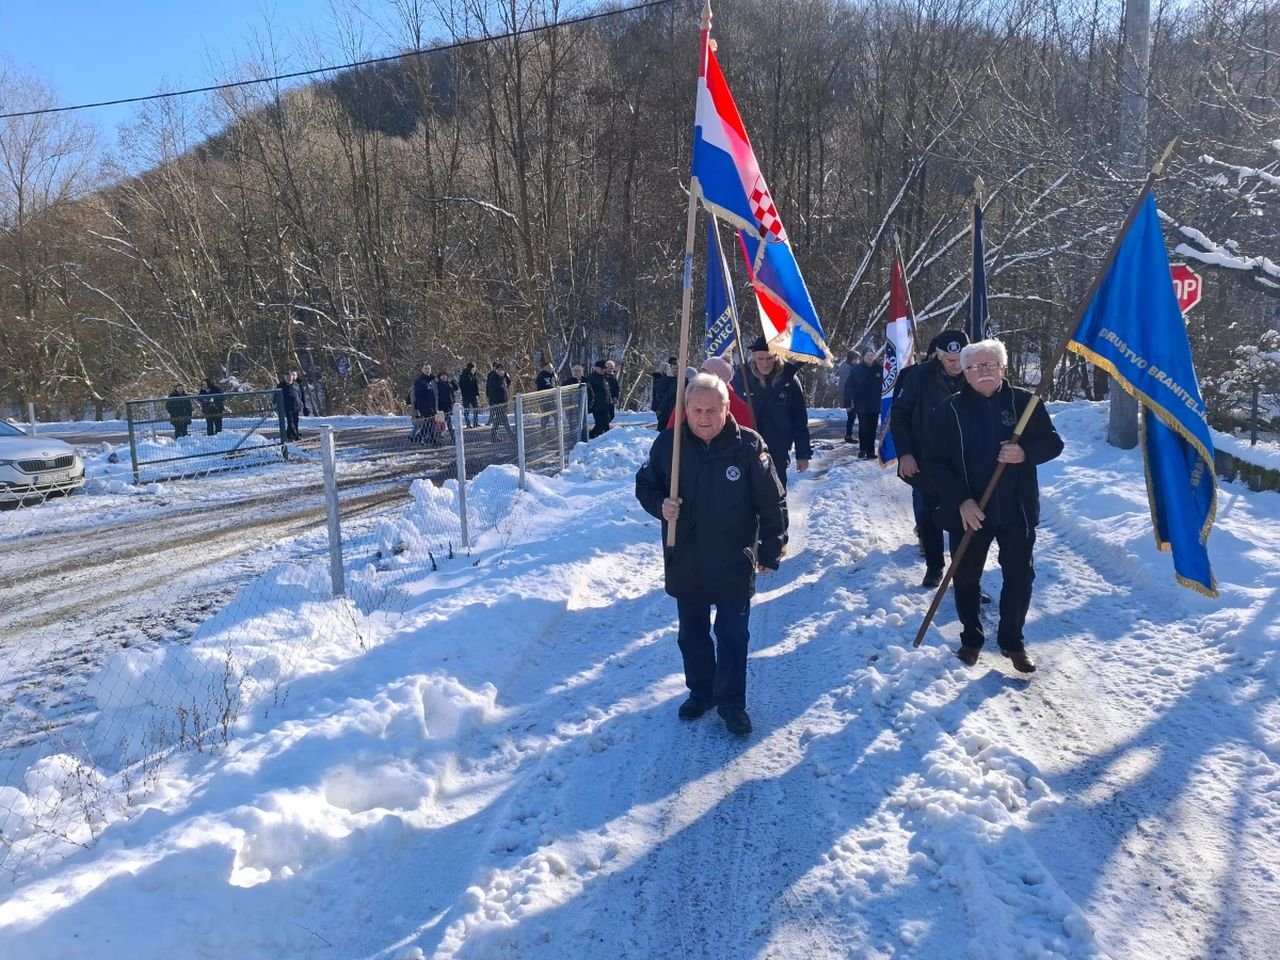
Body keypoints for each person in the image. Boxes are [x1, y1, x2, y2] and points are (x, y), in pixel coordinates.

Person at [634, 373, 787, 736]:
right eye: (696, 409)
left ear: (726, 408)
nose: (703, 417)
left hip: (734, 558)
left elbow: (772, 501)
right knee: (692, 635)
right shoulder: (668, 445)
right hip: (685, 558)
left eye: (711, 410)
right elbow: (645, 485)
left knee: (732, 635)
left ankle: (732, 704)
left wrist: (771, 547)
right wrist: (661, 505)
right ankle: (701, 691)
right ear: (685, 409)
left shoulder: (748, 447)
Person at [924, 339, 1064, 673]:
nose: (983, 371)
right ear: (966, 373)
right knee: (967, 577)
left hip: (1016, 510)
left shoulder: (1025, 403)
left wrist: (1025, 454)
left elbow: (1053, 443)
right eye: (975, 367)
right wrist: (962, 501)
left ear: (1003, 368)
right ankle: (971, 638)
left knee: (1020, 576)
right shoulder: (949, 411)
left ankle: (1012, 642)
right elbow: (935, 463)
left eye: (990, 365)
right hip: (970, 513)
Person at [890, 330, 969, 588]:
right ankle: (935, 567)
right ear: (939, 355)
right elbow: (900, 416)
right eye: (949, 358)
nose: (955, 364)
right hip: (926, 460)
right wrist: (905, 453)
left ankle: (967, 577)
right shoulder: (918, 377)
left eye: (960, 358)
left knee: (966, 519)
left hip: (966, 463)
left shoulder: (977, 373)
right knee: (930, 515)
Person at [738, 336, 811, 488]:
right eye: (760, 359)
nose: (765, 363)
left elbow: (799, 420)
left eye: (769, 358)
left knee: (777, 491)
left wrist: (803, 454)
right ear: (753, 358)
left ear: (776, 357)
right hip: (747, 447)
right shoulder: (742, 378)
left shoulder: (789, 381)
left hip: (778, 447)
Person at [667, 355, 753, 430]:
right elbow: (672, 429)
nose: (700, 378)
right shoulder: (689, 397)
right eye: (701, 373)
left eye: (706, 375)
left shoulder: (740, 408)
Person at [844, 349, 883, 459]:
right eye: (868, 355)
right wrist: (847, 402)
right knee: (863, 427)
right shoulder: (857, 370)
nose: (870, 357)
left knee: (872, 428)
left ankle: (871, 451)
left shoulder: (880, 369)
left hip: (875, 403)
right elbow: (849, 386)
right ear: (863, 357)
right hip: (861, 404)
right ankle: (863, 449)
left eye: (872, 355)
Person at [562, 363, 593, 442]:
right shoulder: (567, 382)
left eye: (578, 371)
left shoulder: (586, 381)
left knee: (583, 424)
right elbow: (563, 395)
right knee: (572, 424)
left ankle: (583, 439)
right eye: (574, 371)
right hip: (571, 407)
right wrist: (565, 406)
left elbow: (591, 394)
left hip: (583, 407)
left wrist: (589, 406)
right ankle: (573, 440)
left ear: (582, 372)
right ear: (572, 372)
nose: (576, 372)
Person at [277, 370, 310, 441]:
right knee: (290, 422)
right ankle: (295, 436)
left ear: (292, 377)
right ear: (284, 377)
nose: (289, 378)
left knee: (295, 421)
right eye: (287, 377)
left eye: (290, 376)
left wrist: (304, 405)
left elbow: (300, 395)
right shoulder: (280, 386)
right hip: (286, 407)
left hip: (296, 406)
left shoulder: (296, 385)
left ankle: (289, 435)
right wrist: (276, 404)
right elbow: (275, 396)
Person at [486, 361, 514, 442]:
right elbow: (494, 387)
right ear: (496, 370)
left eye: (501, 369)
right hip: (497, 402)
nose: (500, 371)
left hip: (503, 401)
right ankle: (512, 435)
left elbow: (508, 383)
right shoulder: (493, 377)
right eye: (498, 369)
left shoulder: (503, 378)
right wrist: (501, 377)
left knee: (498, 421)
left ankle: (493, 436)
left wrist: (506, 376)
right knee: (504, 420)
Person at [411, 363, 439, 444]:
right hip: (425, 406)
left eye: (428, 368)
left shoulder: (432, 380)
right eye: (425, 368)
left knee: (430, 423)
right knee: (428, 422)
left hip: (433, 405)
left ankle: (421, 437)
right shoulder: (420, 381)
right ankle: (430, 439)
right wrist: (424, 406)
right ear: (422, 370)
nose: (427, 370)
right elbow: (418, 395)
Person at [587, 360, 616, 438]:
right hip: (597, 406)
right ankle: (592, 436)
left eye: (604, 368)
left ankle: (602, 438)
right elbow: (590, 393)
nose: (603, 370)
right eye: (601, 368)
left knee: (606, 423)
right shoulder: (591, 378)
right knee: (600, 424)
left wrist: (611, 400)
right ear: (596, 368)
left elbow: (608, 389)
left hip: (606, 405)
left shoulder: (604, 377)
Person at [836, 349, 859, 442]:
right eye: (857, 359)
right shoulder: (847, 369)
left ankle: (849, 435)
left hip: (851, 397)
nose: (858, 361)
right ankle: (848, 436)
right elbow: (845, 386)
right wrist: (848, 402)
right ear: (853, 359)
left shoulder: (848, 367)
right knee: (851, 417)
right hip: (850, 398)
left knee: (852, 417)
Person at [650, 356, 679, 430]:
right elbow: (660, 395)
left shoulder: (680, 379)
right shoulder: (665, 379)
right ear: (670, 368)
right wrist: (659, 408)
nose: (676, 370)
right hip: (664, 410)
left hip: (674, 410)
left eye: (677, 368)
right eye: (674, 368)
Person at [458, 362, 482, 428]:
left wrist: (477, 393)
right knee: (467, 410)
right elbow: (462, 385)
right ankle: (468, 423)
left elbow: (475, 385)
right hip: (466, 395)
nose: (474, 370)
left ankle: (475, 422)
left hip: (473, 395)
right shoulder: (464, 375)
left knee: (476, 409)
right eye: (473, 368)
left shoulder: (474, 375)